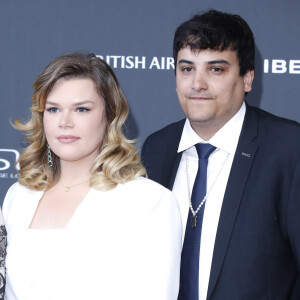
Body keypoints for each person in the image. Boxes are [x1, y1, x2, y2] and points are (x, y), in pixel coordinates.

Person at [142, 9, 300, 300]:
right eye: (187, 69)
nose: (197, 84)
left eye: (216, 69)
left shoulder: (289, 148)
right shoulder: (156, 148)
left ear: (247, 79)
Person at [3, 53, 182, 300]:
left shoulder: (149, 201)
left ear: (109, 115)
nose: (65, 122)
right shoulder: (19, 196)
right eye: (53, 109)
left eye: (81, 109)